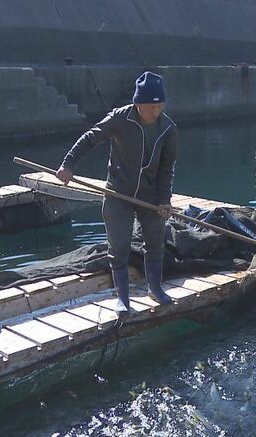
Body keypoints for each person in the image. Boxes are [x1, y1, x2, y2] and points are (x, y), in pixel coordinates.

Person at [56, 71, 178, 315]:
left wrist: (165, 201)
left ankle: (155, 287)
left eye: (160, 105)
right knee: (119, 246)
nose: (156, 110)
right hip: (118, 192)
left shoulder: (168, 129)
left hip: (150, 195)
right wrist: (68, 164)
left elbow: (167, 169)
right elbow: (90, 139)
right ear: (137, 103)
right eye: (151, 105)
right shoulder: (119, 119)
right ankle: (123, 298)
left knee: (154, 242)